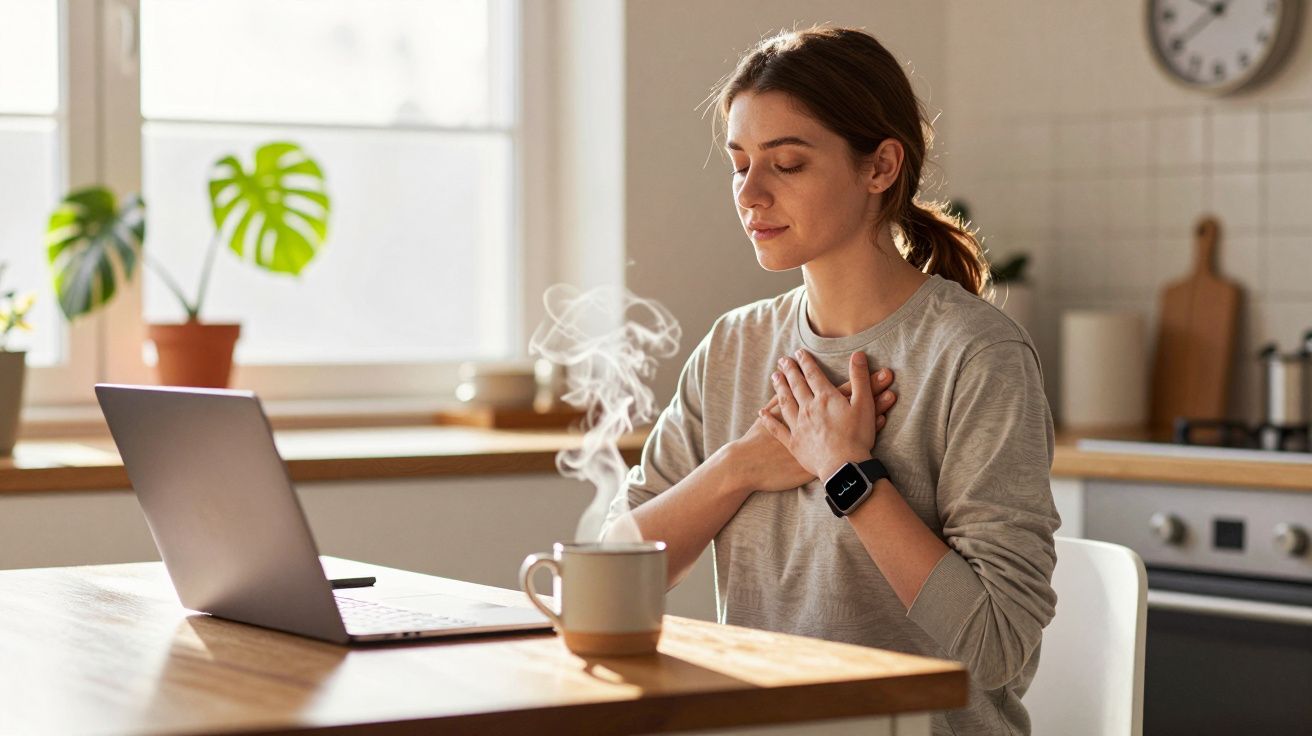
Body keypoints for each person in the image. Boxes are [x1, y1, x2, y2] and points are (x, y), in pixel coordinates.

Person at [602, 26, 1059, 736]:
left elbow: (995, 647)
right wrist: (740, 466)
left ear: (880, 167)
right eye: (739, 163)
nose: (750, 194)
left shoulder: (976, 355)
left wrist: (849, 474)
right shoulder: (733, 347)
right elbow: (609, 587)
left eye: (786, 164)